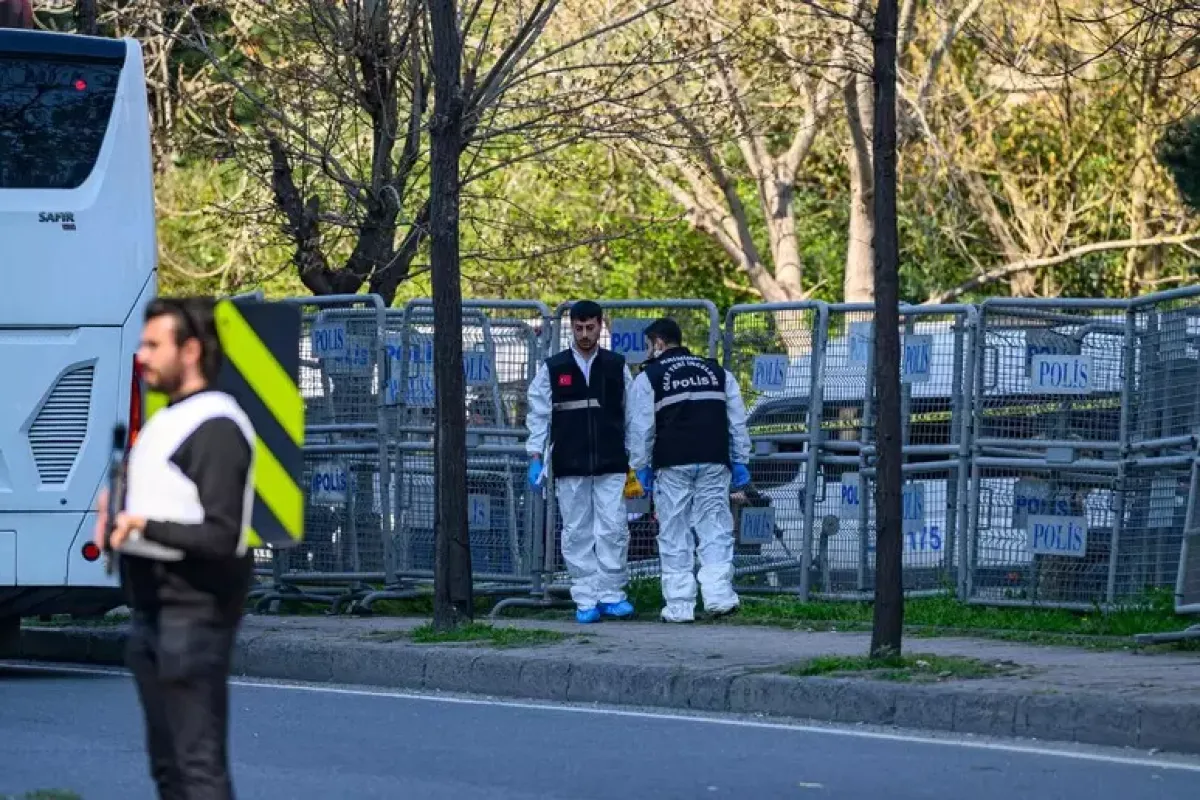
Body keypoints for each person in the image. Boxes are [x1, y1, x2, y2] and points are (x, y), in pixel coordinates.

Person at [93, 297, 256, 800]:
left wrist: (144, 524)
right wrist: (118, 516)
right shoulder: (171, 420)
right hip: (154, 612)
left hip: (193, 614)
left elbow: (223, 536)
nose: (141, 355)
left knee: (196, 769)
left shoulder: (216, 426)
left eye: (153, 344)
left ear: (190, 350)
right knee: (170, 771)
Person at [628, 317, 752, 623]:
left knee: (674, 532)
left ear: (658, 342)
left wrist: (639, 467)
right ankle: (719, 597)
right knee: (715, 527)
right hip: (713, 459)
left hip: (672, 462)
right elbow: (737, 421)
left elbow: (641, 428)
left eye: (648, 345)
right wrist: (740, 460)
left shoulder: (650, 377)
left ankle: (680, 605)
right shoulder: (717, 372)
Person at [526, 300, 636, 624]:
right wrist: (535, 455)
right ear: (571, 327)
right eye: (579, 328)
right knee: (577, 532)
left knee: (614, 529)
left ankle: (612, 594)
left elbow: (633, 415)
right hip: (570, 461)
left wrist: (636, 458)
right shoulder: (554, 368)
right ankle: (586, 597)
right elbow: (538, 414)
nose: (585, 334)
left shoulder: (617, 366)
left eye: (590, 327)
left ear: (601, 325)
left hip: (611, 460)